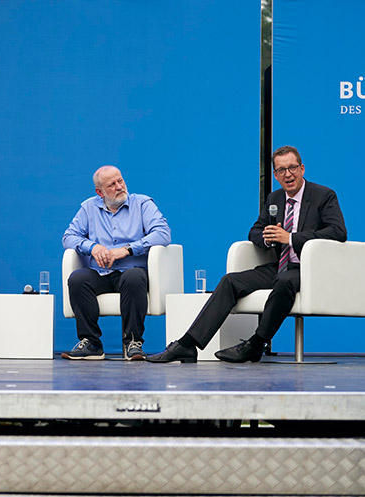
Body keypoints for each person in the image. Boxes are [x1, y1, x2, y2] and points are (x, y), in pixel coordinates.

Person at [148, 146, 347, 363]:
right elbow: (255, 230)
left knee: (283, 281)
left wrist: (289, 238)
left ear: (302, 169)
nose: (288, 174)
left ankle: (256, 344)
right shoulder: (275, 198)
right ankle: (187, 344)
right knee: (229, 281)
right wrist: (266, 238)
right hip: (280, 266)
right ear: (275, 175)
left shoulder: (323, 195)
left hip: (308, 269)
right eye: (281, 170)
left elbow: (338, 232)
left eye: (292, 168)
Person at [61, 166, 171, 360]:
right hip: (101, 273)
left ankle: (133, 342)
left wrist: (127, 249)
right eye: (112, 184)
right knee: (77, 279)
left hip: (132, 270)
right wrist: (92, 247)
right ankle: (92, 343)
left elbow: (162, 234)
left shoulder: (142, 204)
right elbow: (69, 237)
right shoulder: (88, 207)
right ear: (99, 192)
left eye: (120, 180)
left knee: (133, 277)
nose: (119, 186)